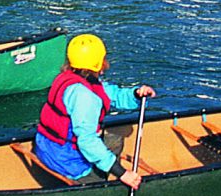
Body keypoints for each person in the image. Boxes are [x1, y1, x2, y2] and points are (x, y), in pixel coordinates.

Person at [30, 34, 157, 184]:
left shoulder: (68, 79)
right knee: (114, 142)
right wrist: (122, 173)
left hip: (46, 148)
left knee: (112, 139)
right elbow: (87, 141)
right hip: (67, 162)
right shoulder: (85, 96)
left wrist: (135, 94)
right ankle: (96, 182)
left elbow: (112, 94)